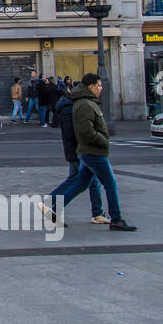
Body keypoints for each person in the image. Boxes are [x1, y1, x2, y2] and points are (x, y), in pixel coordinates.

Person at [44, 74, 136, 232]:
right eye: (99, 85)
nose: (101, 88)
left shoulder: (84, 102)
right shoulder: (85, 104)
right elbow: (86, 131)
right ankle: (116, 219)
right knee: (110, 183)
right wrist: (102, 140)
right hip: (93, 151)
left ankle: (53, 211)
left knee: (80, 184)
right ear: (91, 86)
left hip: (87, 151)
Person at [51, 83, 107, 224]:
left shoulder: (67, 106)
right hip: (80, 151)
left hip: (77, 150)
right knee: (79, 180)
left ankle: (97, 213)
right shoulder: (71, 108)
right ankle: (50, 202)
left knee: (90, 181)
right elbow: (75, 133)